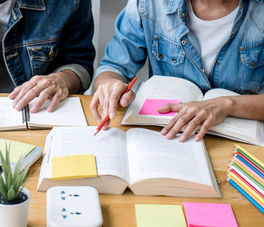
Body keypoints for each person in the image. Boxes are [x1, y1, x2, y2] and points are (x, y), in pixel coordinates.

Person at [91, 0, 264, 142]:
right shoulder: (149, 4)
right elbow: (112, 67)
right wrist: (109, 84)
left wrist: (227, 104)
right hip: (169, 137)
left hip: (241, 142)